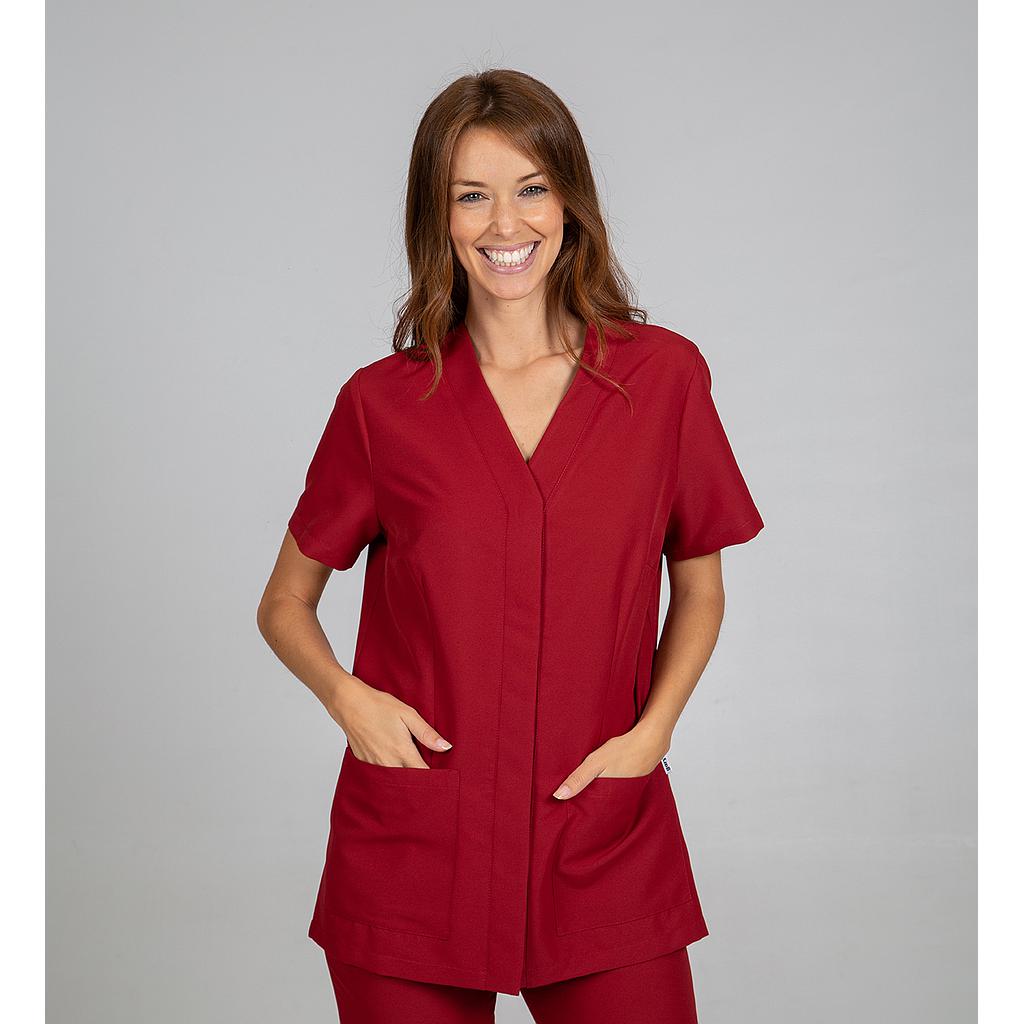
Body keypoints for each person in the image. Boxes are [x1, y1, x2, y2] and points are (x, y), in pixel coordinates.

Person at [257, 67, 764, 1024]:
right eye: (471, 196)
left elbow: (700, 586)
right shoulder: (383, 404)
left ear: (569, 200)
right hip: (418, 841)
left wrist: (653, 735)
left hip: (597, 830)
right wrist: (348, 700)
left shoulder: (661, 380)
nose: (505, 224)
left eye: (531, 187)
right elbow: (284, 602)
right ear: (437, 217)